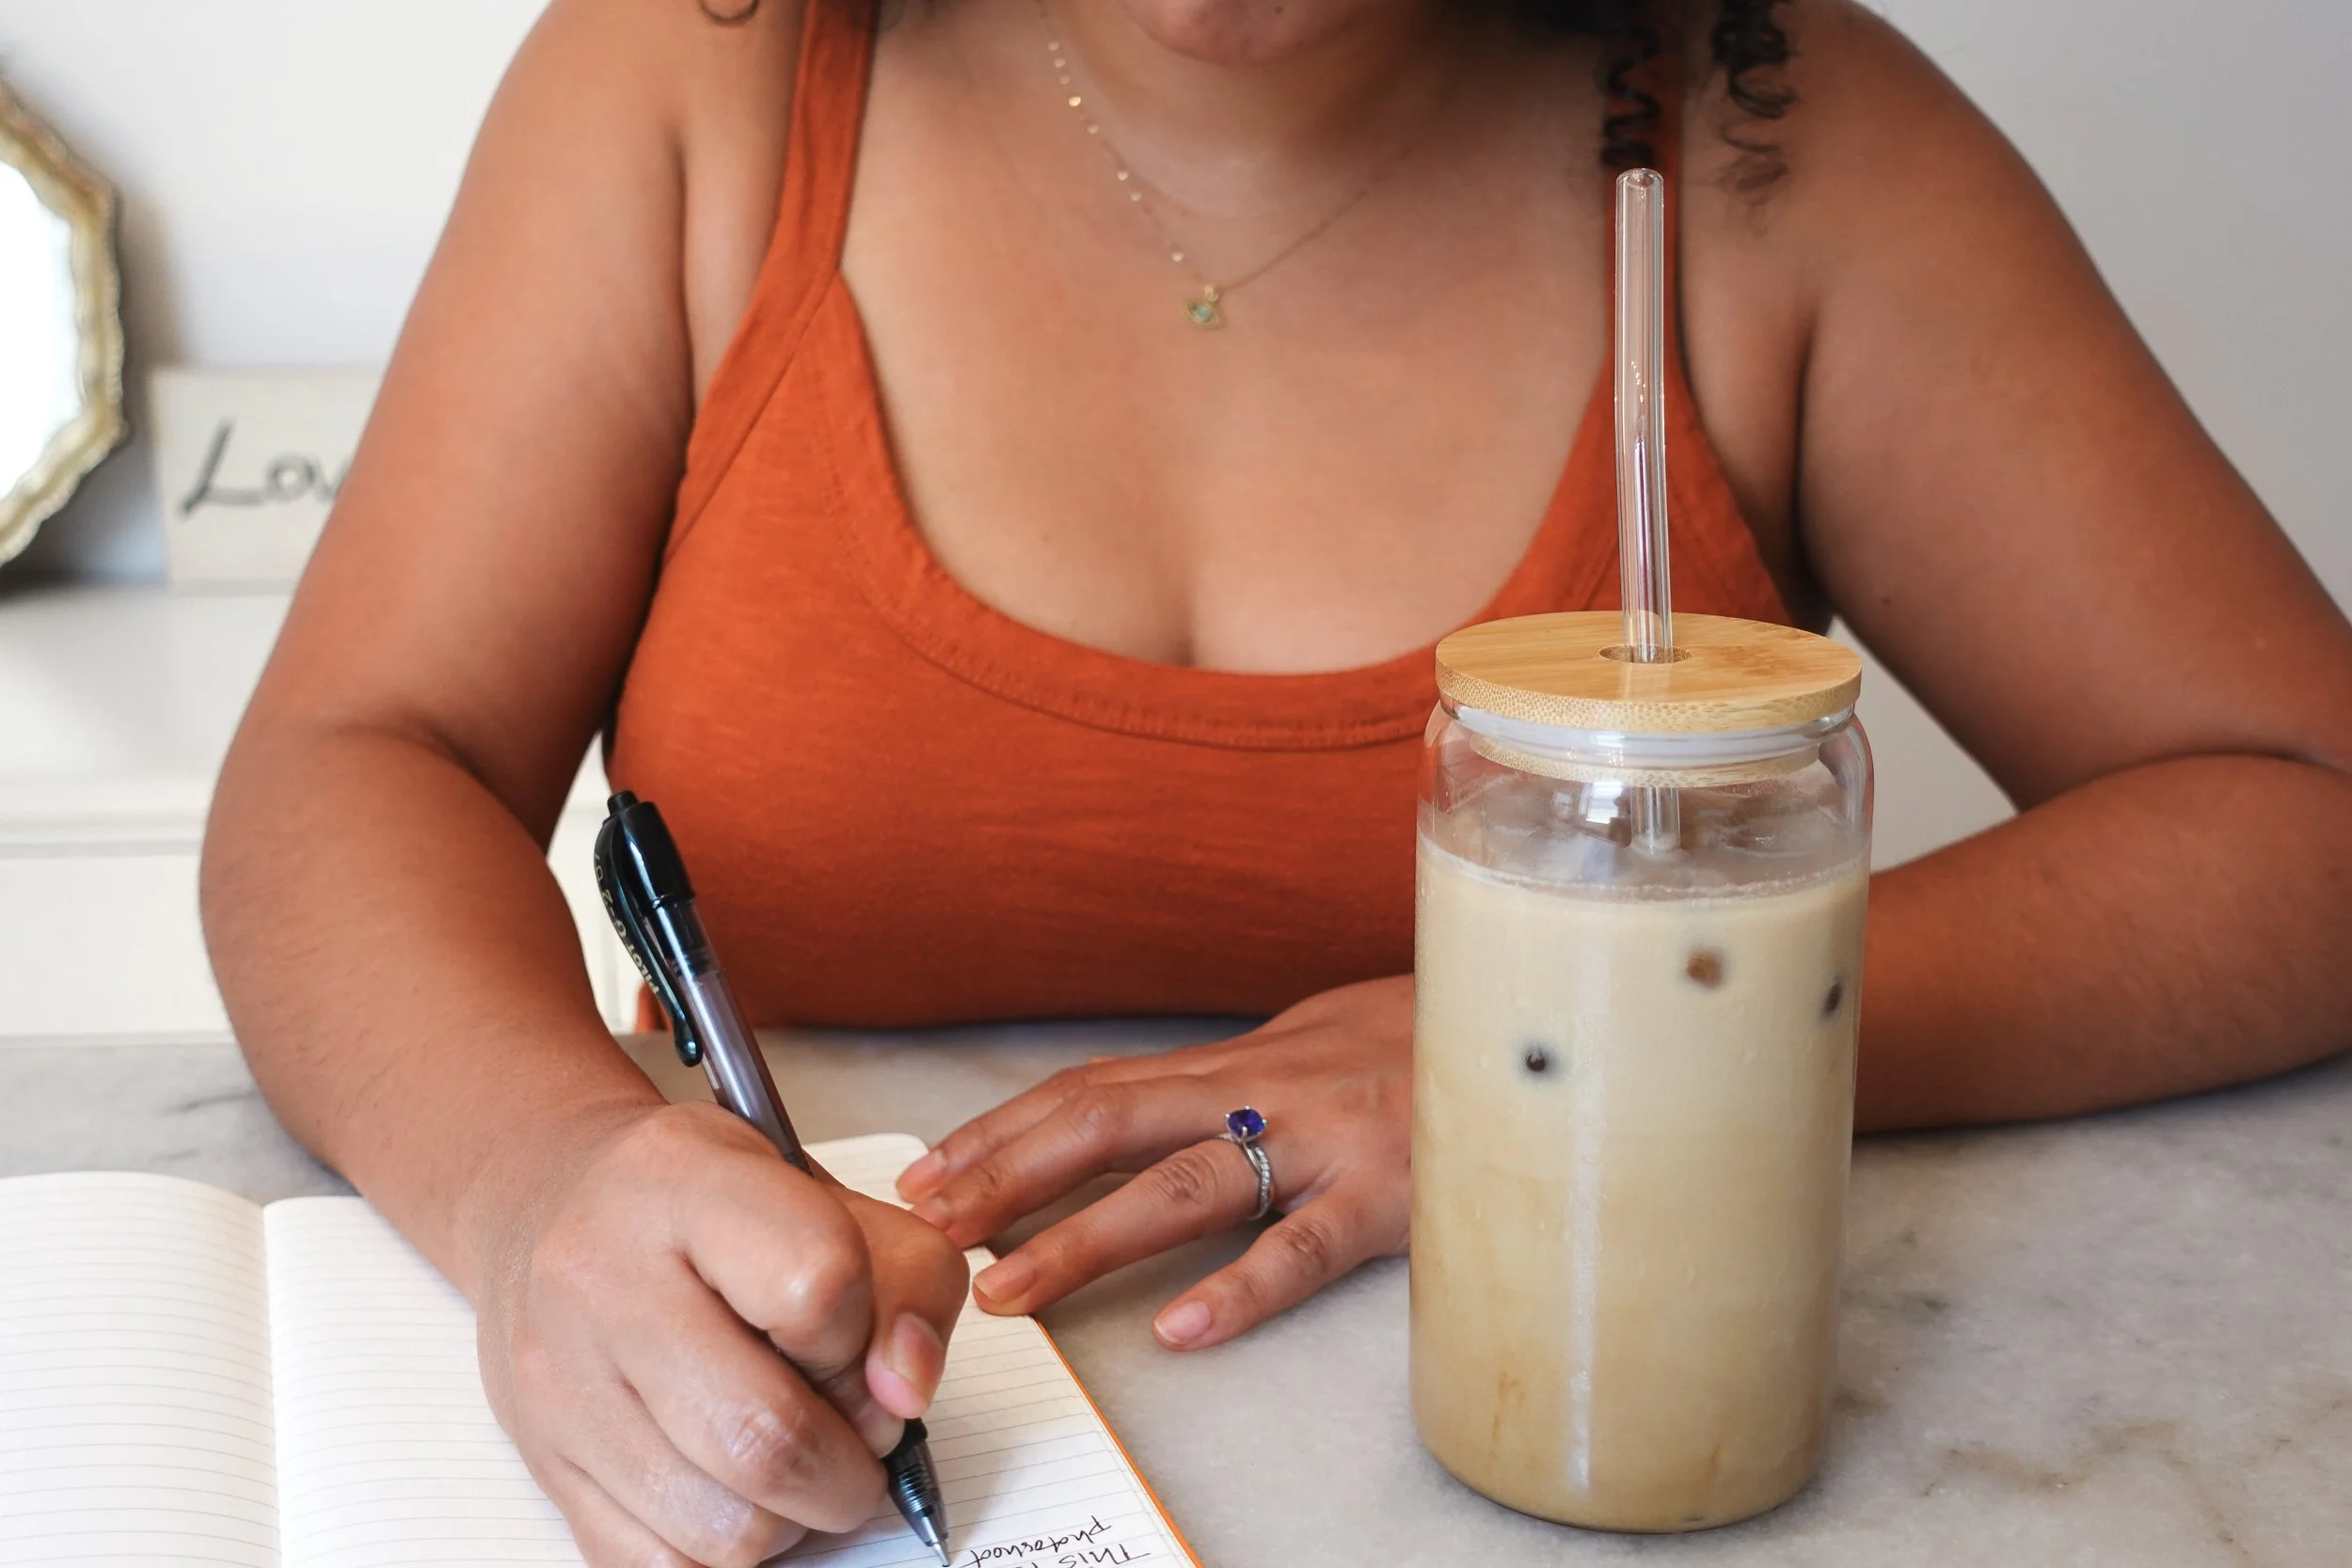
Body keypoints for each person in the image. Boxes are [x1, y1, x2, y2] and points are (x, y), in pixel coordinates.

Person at [201, 0, 2352, 1562]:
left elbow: (2302, 802)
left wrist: (1548, 1057)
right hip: (842, 1401)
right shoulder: (694, 83)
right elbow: (354, 762)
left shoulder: (1770, 144)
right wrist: (536, 1182)